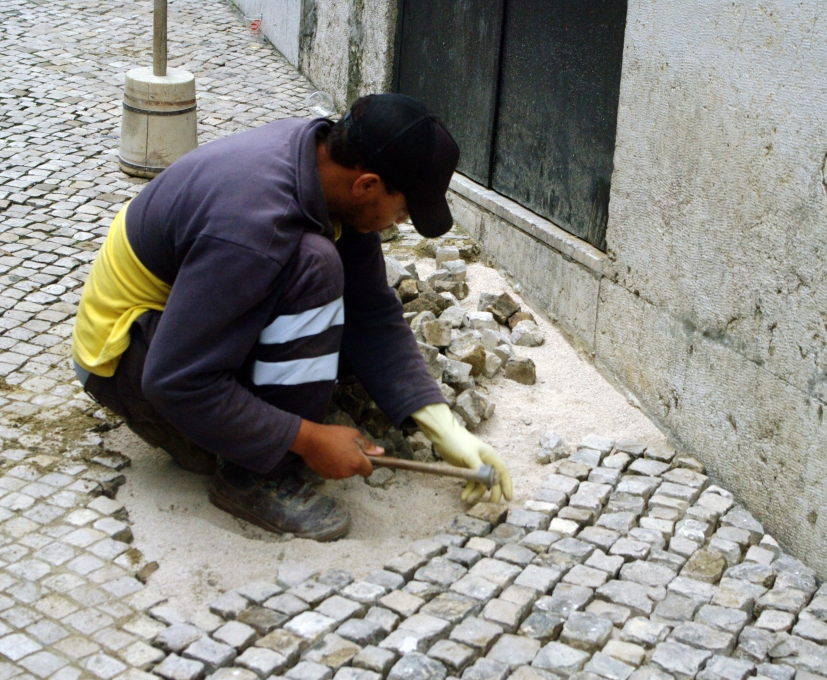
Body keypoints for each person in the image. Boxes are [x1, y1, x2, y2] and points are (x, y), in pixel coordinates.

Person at [71, 94, 513, 541]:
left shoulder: (322, 164)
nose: (396, 224)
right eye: (401, 211)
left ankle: (263, 432)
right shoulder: (255, 223)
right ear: (367, 184)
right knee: (315, 267)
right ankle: (254, 479)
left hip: (182, 323)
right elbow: (175, 380)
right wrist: (309, 440)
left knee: (325, 299)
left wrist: (445, 430)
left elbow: (371, 312)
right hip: (129, 359)